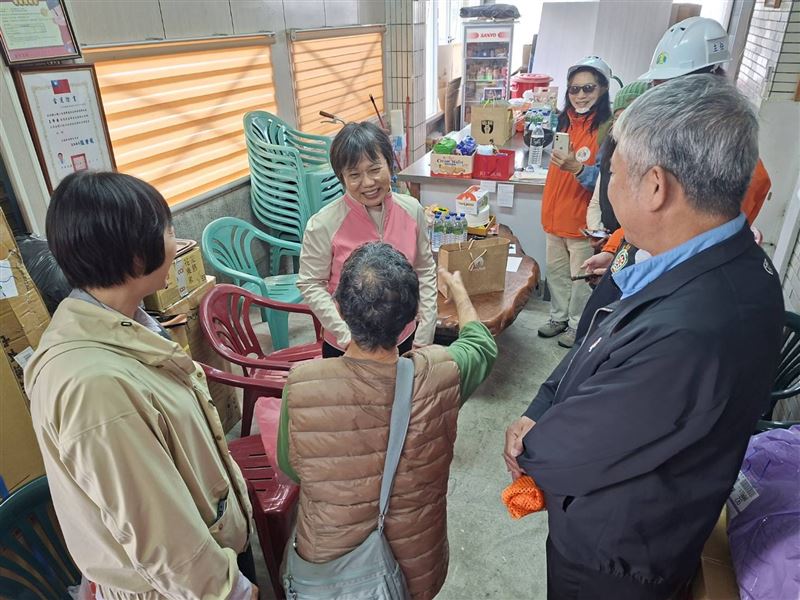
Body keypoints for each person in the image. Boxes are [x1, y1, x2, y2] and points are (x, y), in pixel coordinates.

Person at [504, 75, 784, 599]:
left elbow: (570, 451)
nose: (607, 185)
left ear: (655, 187)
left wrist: (529, 443)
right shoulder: (698, 258)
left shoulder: (695, 326)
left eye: (611, 172)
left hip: (616, 557)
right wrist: (541, 403)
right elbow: (601, 336)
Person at [24, 172, 258, 600]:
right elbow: (159, 533)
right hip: (184, 587)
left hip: (210, 553)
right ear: (134, 256)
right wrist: (230, 590)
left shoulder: (127, 325)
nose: (175, 239)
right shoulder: (93, 386)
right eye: (167, 228)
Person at [278, 242, 497, 599]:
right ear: (411, 319)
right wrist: (458, 290)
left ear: (338, 309)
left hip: (331, 568)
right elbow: (481, 344)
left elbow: (291, 467)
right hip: (414, 561)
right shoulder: (442, 373)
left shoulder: (302, 385)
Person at [582, 16, 772, 284]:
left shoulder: (726, 163)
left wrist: (633, 271)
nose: (659, 98)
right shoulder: (668, 143)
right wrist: (618, 254)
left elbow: (690, 246)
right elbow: (643, 220)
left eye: (664, 88)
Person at [298, 121, 437, 357]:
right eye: (354, 175)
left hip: (404, 339)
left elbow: (424, 269)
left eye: (374, 169)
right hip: (347, 346)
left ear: (389, 164)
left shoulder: (412, 210)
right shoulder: (322, 224)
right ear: (342, 178)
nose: (368, 183)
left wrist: (425, 330)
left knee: (403, 394)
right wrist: (346, 337)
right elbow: (311, 284)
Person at [537, 56, 615, 348]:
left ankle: (575, 324)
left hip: (583, 222)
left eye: (588, 88)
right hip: (554, 216)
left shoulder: (608, 130)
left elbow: (609, 181)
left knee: (580, 279)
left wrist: (578, 169)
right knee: (556, 274)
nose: (580, 95)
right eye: (574, 89)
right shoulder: (563, 122)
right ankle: (558, 317)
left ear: (603, 89)